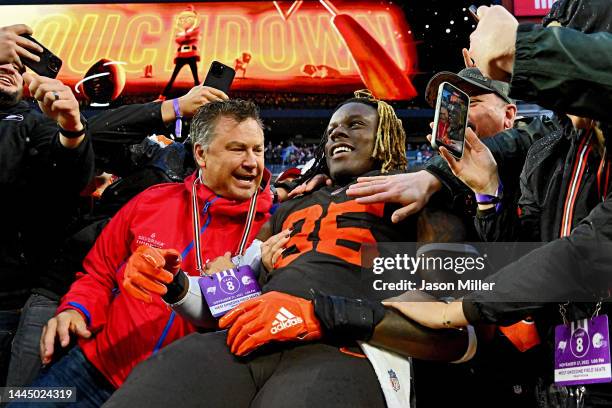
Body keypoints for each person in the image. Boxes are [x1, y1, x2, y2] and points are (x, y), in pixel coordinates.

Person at [103, 90, 476, 408]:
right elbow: (225, 303)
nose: (337, 135)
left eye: (355, 125)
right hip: (248, 341)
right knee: (147, 391)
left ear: (388, 138)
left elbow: (458, 334)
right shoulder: (290, 207)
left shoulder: (420, 203)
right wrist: (176, 284)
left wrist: (322, 314)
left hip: (347, 348)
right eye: (330, 131)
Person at [388, 3, 612, 406]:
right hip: (560, 370)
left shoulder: (536, 137)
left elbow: (585, 253)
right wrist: (487, 191)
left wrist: (456, 309)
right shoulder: (550, 153)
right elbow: (522, 252)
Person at [26, 100, 272, 406]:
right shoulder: (152, 201)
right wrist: (76, 309)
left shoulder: (270, 228)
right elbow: (98, 271)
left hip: (171, 394)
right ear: (201, 154)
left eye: (258, 150)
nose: (252, 162)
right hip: (91, 368)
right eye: (238, 149)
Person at [6, 84, 228, 387]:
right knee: (24, 395)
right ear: (198, 145)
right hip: (65, 288)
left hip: (131, 326)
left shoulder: (247, 210)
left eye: (251, 148)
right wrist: (171, 108)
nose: (245, 159)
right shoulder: (161, 158)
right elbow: (91, 135)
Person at [0, 23, 93, 386]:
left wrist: (72, 131)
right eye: (6, 59)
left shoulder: (33, 123)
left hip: (13, 302)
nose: (11, 67)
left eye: (20, 67)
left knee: (25, 398)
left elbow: (72, 178)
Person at [159, 6, 201, 100]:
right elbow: (178, 39)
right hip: (181, 56)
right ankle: (163, 95)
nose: (186, 21)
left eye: (189, 18)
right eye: (183, 19)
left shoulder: (195, 31)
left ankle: (199, 95)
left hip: (191, 56)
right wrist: (186, 37)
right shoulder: (180, 33)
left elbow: (194, 38)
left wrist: (186, 37)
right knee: (173, 77)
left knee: (196, 79)